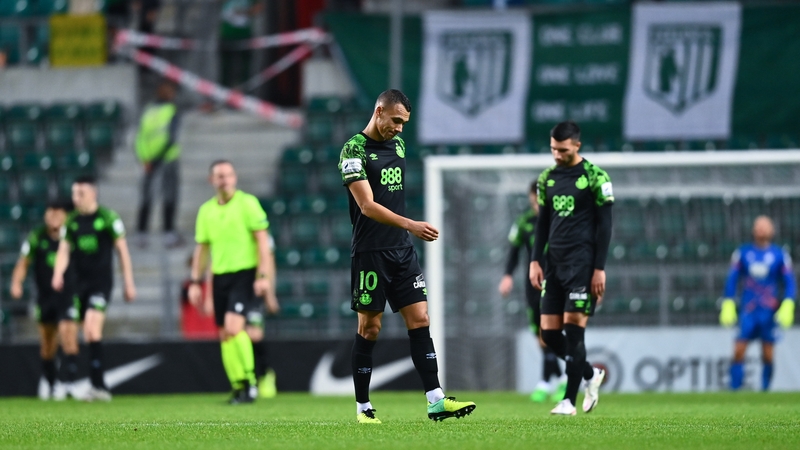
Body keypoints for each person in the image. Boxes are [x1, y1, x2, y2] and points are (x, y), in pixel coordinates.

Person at [338, 89, 475, 424]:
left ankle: (436, 400)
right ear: (379, 110)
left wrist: (406, 232)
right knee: (370, 327)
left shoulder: (397, 144)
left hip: (402, 251)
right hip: (370, 253)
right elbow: (367, 206)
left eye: (404, 123)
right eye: (396, 120)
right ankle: (363, 407)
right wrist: (411, 224)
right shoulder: (353, 150)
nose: (399, 128)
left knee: (421, 319)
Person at [529, 121, 612, 416]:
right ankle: (591, 373)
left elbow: (605, 226)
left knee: (573, 333)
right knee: (549, 334)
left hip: (583, 265)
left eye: (562, 150)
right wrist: (535, 260)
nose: (556, 155)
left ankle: (568, 401)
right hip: (554, 265)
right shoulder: (547, 179)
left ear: (577, 145)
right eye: (553, 148)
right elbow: (542, 223)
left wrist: (599, 268)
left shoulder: (594, 176)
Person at [188, 160, 279, 404]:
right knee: (224, 334)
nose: (224, 180)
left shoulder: (248, 204)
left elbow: (263, 242)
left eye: (228, 175)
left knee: (234, 328)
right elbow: (202, 249)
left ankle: (250, 382)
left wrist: (263, 275)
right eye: (219, 176)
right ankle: (238, 385)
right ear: (212, 180)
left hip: (245, 274)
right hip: (220, 276)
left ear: (235, 177)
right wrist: (195, 281)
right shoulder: (206, 211)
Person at [52, 176, 137, 402]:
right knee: (73, 331)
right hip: (78, 284)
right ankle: (82, 383)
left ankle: (99, 385)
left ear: (93, 193)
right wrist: (58, 273)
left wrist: (129, 282)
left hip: (101, 283)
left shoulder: (108, 218)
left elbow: (123, 252)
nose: (76, 198)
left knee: (91, 327)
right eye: (74, 194)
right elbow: (63, 250)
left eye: (80, 193)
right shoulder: (71, 221)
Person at [499, 180, 565, 403]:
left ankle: (547, 382)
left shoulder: (560, 219)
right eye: (533, 198)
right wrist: (507, 276)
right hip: (533, 284)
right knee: (540, 333)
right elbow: (514, 251)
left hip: (557, 281)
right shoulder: (524, 222)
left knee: (552, 330)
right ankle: (560, 378)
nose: (536, 202)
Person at [10, 200, 80, 400]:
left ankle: (71, 383)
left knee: (68, 335)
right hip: (45, 297)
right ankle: (51, 384)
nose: (53, 218)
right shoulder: (37, 237)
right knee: (48, 344)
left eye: (58, 214)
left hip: (68, 295)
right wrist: (16, 283)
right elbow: (23, 263)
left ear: (66, 217)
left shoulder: (72, 237)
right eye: (50, 214)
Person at [719, 216, 795, 391]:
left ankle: (765, 391)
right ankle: (734, 390)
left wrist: (788, 303)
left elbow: (789, 281)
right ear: (753, 230)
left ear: (772, 230)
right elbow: (732, 279)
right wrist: (728, 302)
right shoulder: (743, 253)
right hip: (749, 310)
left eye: (765, 226)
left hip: (768, 311)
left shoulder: (779, 255)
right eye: (758, 226)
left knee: (768, 354)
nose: (761, 229)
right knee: (739, 350)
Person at [135, 80, 183, 248]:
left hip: (149, 161)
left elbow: (140, 137)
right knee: (169, 196)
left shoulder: (148, 111)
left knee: (147, 196)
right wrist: (155, 160)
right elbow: (171, 138)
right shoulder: (171, 110)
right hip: (167, 160)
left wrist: (144, 158)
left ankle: (141, 234)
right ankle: (168, 233)